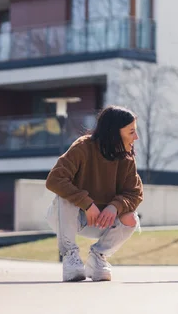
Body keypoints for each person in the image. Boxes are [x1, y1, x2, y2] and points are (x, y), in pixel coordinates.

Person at [44, 105, 143, 282]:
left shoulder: (127, 158)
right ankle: (70, 257)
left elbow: (134, 192)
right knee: (64, 196)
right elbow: (54, 179)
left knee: (131, 218)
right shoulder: (83, 147)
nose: (136, 137)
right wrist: (87, 204)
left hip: (101, 220)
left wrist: (115, 206)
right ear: (114, 132)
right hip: (69, 218)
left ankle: (98, 257)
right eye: (131, 132)